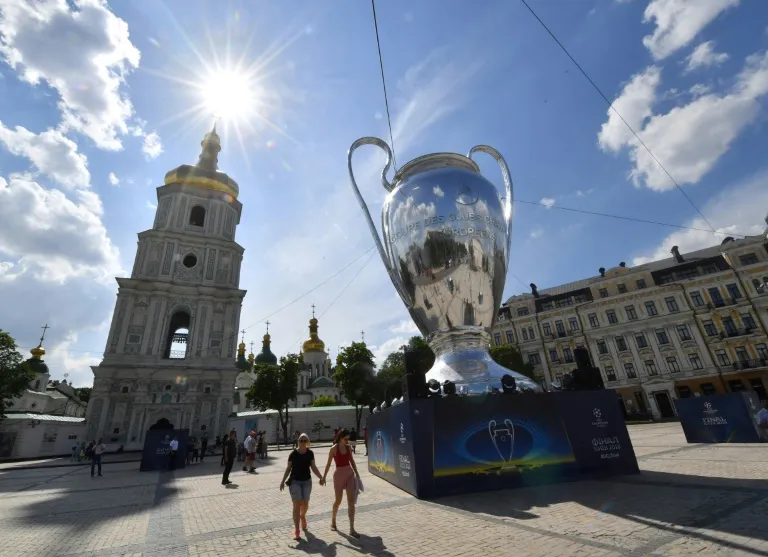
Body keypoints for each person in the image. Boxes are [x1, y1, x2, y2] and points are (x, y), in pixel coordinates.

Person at [280, 433, 323, 541]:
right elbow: (288, 468)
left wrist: (321, 477)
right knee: (296, 504)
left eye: (305, 440)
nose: (303, 442)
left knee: (305, 503)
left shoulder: (310, 453)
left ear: (307, 442)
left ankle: (302, 516)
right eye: (301, 440)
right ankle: (297, 530)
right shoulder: (293, 454)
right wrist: (282, 481)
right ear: (298, 442)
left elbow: (313, 467)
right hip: (295, 481)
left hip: (307, 482)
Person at [321, 429, 361, 538]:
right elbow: (328, 464)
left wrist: (357, 473)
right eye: (346, 439)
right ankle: (333, 521)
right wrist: (324, 477)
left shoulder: (348, 448)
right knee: (338, 501)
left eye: (348, 439)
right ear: (340, 438)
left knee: (351, 502)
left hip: (349, 474)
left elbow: (352, 461)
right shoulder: (333, 449)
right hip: (338, 475)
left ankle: (352, 528)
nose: (347, 441)